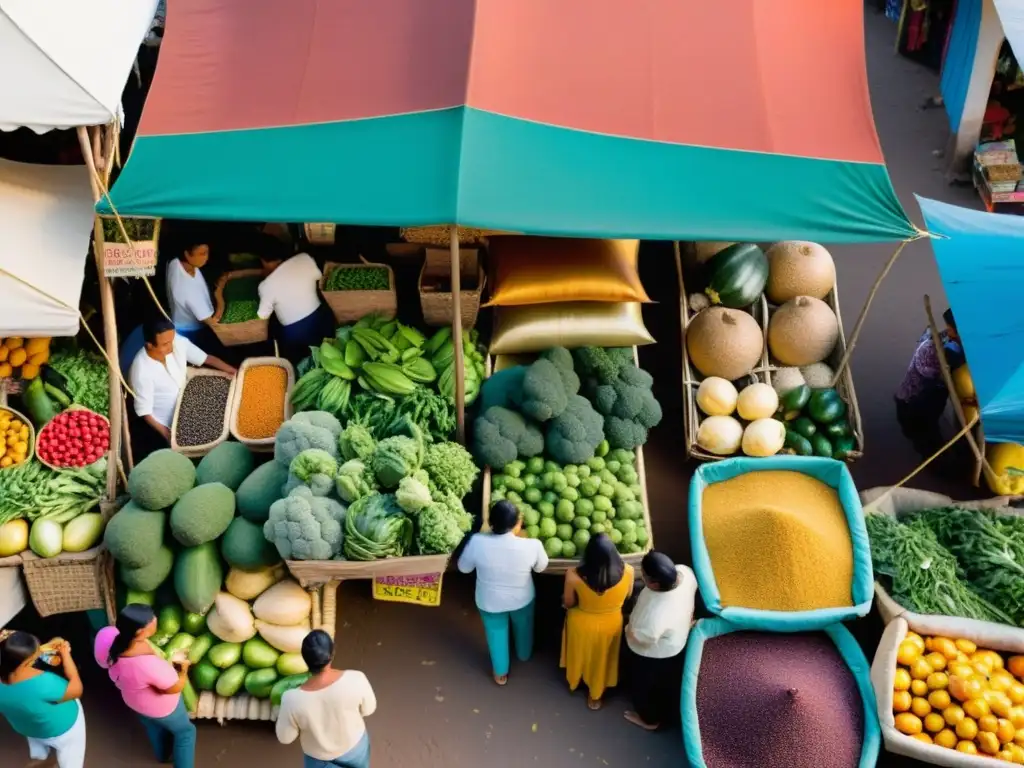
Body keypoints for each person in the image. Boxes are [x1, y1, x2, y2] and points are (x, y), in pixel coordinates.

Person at [457, 500, 549, 685]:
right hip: (521, 599)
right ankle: (523, 654)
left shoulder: (477, 541)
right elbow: (541, 568)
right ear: (518, 524)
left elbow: (463, 568)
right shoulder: (533, 545)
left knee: (496, 633)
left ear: (491, 523)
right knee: (523, 626)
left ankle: (500, 673)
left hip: (490, 602)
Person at [94, 604, 196, 768]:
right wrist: (183, 671)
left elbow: (102, 660)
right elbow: (173, 688)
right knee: (186, 732)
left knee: (153, 726)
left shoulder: (108, 635)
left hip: (134, 702)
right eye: (152, 623)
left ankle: (162, 756)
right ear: (139, 632)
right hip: (161, 707)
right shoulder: (146, 665)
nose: (156, 621)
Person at [276, 629, 376, 768]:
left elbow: (286, 738)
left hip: (319, 760)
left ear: (305, 660)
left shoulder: (291, 699)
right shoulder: (356, 678)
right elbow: (368, 709)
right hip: (355, 749)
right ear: (332, 654)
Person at [129, 318, 235, 446]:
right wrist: (167, 434)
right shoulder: (141, 371)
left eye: (172, 340)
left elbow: (206, 358)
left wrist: (233, 371)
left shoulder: (176, 341)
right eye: (165, 344)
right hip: (169, 419)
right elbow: (145, 412)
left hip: (189, 398)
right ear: (149, 345)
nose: (172, 346)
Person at [622, 552, 698, 731]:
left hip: (656, 652)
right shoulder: (684, 572)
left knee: (645, 685)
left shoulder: (655, 617)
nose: (642, 575)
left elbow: (642, 638)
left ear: (654, 583)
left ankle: (650, 721)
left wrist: (628, 630)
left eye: (644, 574)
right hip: (678, 637)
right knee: (666, 682)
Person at [560, 533, 633, 710]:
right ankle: (595, 697)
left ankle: (575, 680)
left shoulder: (573, 575)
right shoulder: (629, 571)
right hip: (611, 624)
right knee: (602, 659)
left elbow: (568, 603)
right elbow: (628, 596)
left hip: (582, 624)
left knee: (581, 654)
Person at [0, 631, 85, 767]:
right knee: (71, 756)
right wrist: (66, 655)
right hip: (61, 729)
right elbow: (77, 690)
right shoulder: (45, 682)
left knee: (37, 741)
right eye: (33, 658)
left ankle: (40, 756)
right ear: (25, 662)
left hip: (28, 727)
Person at [894, 308, 965, 459]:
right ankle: (935, 461)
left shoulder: (945, 339)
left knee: (924, 425)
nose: (950, 332)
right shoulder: (947, 351)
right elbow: (960, 375)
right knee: (924, 431)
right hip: (918, 397)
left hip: (915, 394)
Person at [257, 249, 330, 359]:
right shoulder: (303, 257)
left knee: (300, 359)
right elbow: (319, 276)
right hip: (320, 317)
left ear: (263, 261)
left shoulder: (266, 285)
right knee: (327, 352)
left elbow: (263, 315)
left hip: (295, 332)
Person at [166, 237, 215, 343]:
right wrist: (219, 295)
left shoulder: (175, 263)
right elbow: (211, 322)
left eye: (207, 252)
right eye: (202, 254)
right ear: (187, 254)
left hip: (178, 322)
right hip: (192, 331)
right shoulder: (187, 288)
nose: (206, 257)